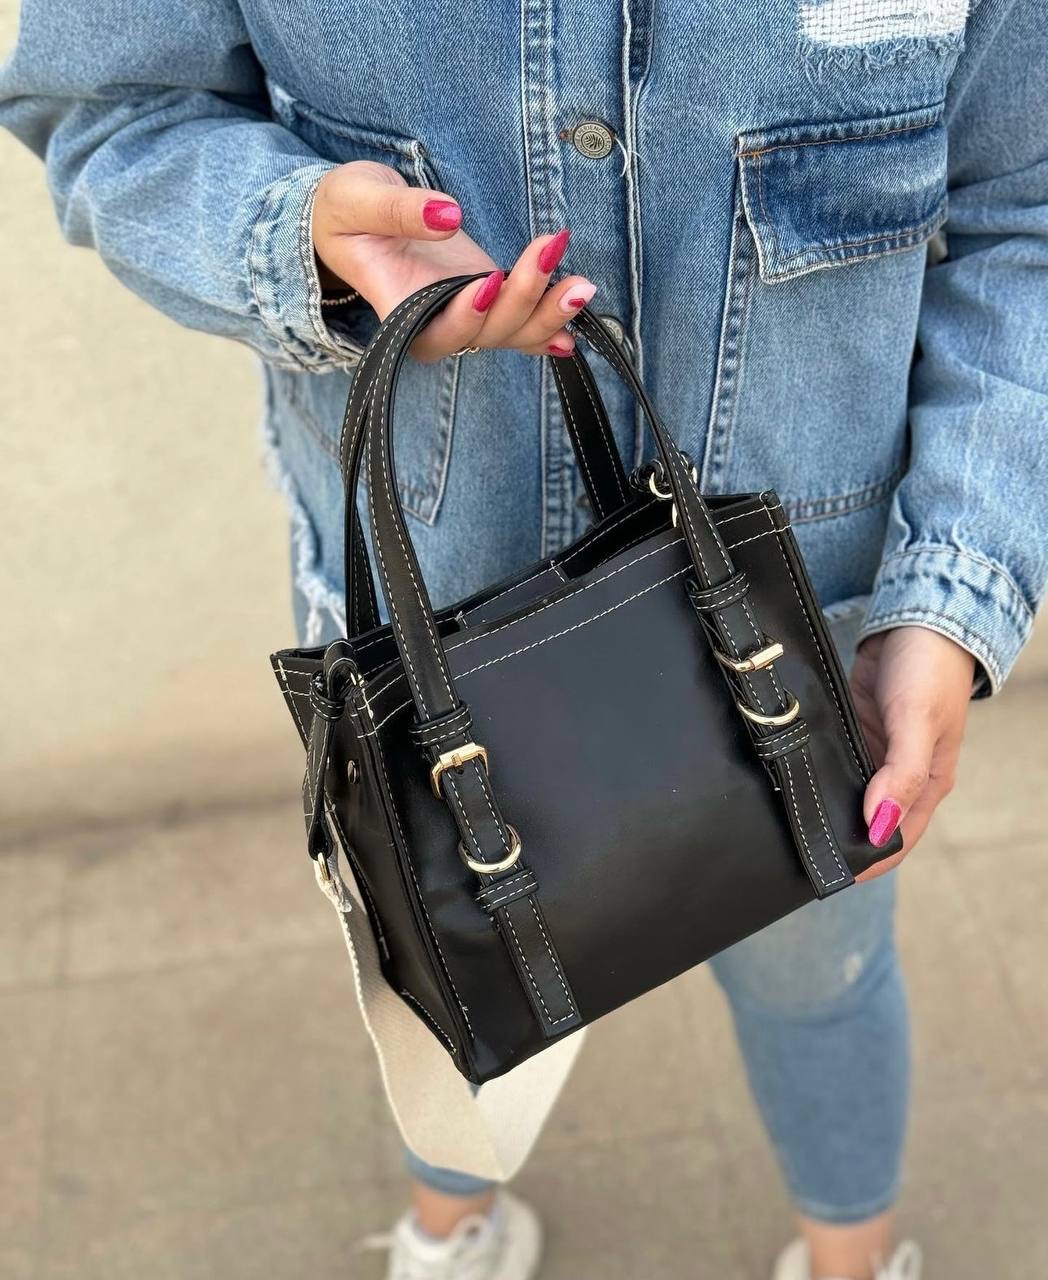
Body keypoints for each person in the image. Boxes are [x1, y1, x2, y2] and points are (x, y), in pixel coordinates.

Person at [3, 1, 1045, 1276]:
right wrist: (299, 235)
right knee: (457, 974)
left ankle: (850, 1253)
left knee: (813, 976)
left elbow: (1024, 208)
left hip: (805, 637)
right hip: (425, 636)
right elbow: (107, 109)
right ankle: (455, 1222)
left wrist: (953, 596)